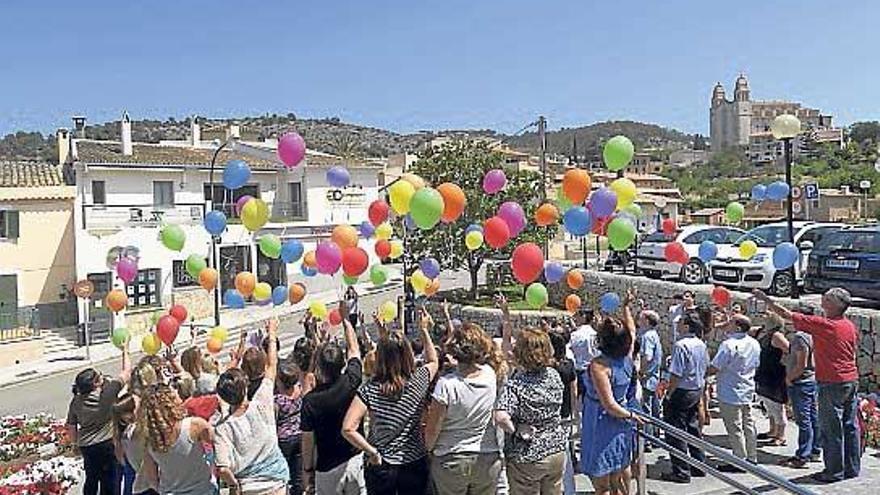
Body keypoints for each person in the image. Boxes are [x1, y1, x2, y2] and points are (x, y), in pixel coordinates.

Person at [754, 288, 860, 483]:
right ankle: (852, 468)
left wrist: (765, 299)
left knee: (831, 429)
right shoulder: (849, 325)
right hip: (850, 380)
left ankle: (833, 471)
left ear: (835, 304)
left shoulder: (826, 325)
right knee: (850, 427)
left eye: (826, 298)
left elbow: (786, 314)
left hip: (832, 381)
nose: (822, 299)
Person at [342, 307, 439, 494]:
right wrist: (424, 330)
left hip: (382, 465)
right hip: (413, 462)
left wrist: (372, 452)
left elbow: (348, 428)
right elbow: (433, 360)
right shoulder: (419, 380)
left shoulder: (369, 389)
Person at [495, 295, 567, 495]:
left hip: (528, 455)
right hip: (556, 450)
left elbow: (501, 416)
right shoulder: (554, 375)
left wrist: (517, 429)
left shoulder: (516, 384)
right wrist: (506, 315)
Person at [424, 322, 501, 495]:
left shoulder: (446, 385)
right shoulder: (489, 374)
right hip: (486, 455)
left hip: (451, 457)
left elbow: (432, 429)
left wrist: (427, 451)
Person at [215, 318, 290, 494]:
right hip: (276, 482)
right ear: (245, 387)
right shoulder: (262, 402)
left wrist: (233, 485)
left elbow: (223, 468)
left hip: (248, 487)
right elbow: (272, 365)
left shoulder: (223, 428)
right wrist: (272, 333)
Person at [580, 289, 642, 495]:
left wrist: (632, 416)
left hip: (601, 421)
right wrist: (626, 307)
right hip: (622, 417)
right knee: (618, 470)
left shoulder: (599, 366)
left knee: (602, 484)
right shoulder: (628, 356)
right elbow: (632, 330)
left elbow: (608, 404)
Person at [301, 302, 366, 495]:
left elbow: (308, 440)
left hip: (327, 467)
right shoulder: (351, 380)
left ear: (319, 369)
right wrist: (346, 320)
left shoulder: (311, 401)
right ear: (342, 363)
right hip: (355, 460)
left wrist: (307, 470)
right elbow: (354, 350)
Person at [67, 341, 131, 495]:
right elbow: (126, 372)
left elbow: (71, 425)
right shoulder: (107, 394)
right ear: (96, 383)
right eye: (100, 376)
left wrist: (75, 444)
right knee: (110, 481)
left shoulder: (76, 401)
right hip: (107, 443)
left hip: (87, 446)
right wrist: (125, 350)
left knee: (92, 479)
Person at [140, 383, 217, 495]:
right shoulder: (194, 425)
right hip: (203, 489)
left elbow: (152, 479)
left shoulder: (151, 440)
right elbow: (217, 446)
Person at [660, 312, 709, 484]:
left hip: (681, 391)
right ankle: (698, 464)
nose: (678, 325)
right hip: (695, 389)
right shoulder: (701, 344)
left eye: (680, 322)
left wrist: (669, 393)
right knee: (692, 428)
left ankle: (681, 470)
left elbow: (676, 373)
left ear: (687, 326)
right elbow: (704, 368)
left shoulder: (681, 345)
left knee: (675, 432)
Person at [708, 314, 761, 471]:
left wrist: (703, 373)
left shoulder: (729, 345)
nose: (727, 324)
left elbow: (716, 366)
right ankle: (752, 457)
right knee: (748, 424)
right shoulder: (754, 343)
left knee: (734, 427)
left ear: (738, 326)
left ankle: (739, 459)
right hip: (747, 388)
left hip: (730, 390)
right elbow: (756, 364)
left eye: (730, 322)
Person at [780, 307, 821, 469]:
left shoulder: (800, 337)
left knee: (803, 419)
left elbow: (801, 364)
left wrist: (790, 378)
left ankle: (802, 455)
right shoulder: (815, 334)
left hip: (801, 382)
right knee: (813, 417)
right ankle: (815, 450)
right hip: (812, 380)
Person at [548, 330, 578, 495]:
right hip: (565, 414)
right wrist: (575, 415)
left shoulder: (547, 368)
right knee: (565, 454)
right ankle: (570, 490)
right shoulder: (569, 365)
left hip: (550, 415)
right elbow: (574, 392)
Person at [754, 314, 789, 447]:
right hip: (764, 372)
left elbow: (789, 349)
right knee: (768, 403)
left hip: (774, 373)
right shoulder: (763, 333)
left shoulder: (777, 336)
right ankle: (772, 430)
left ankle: (781, 435)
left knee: (777, 404)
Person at [113, 393, 158, 495]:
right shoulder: (139, 433)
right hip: (149, 485)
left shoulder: (123, 435)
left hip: (137, 483)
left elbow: (122, 461)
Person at [275, 360, 304, 495]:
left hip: (284, 439)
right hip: (299, 433)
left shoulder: (277, 400)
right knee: (298, 471)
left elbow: (274, 420)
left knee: (284, 473)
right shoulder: (299, 389)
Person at [637, 310, 663, 446]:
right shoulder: (654, 335)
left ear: (647, 321)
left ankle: (647, 439)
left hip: (648, 377)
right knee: (655, 407)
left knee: (646, 408)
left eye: (641, 318)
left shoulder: (647, 337)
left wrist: (641, 372)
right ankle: (656, 436)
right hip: (654, 376)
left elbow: (647, 357)